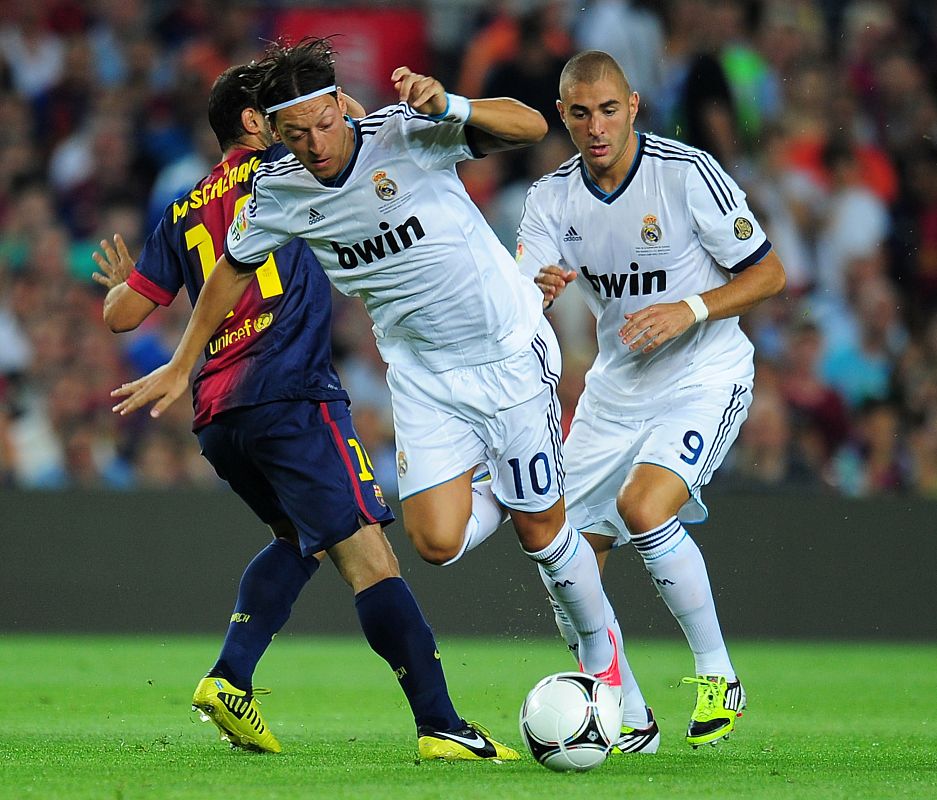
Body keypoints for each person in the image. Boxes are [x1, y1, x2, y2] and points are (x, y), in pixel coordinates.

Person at [109, 37, 635, 746]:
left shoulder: (405, 134)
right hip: (420, 376)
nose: (316, 144)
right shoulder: (279, 189)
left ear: (340, 105)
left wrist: (449, 103)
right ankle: (507, 493)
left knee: (541, 532)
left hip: (506, 351)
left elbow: (530, 125)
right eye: (297, 134)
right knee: (435, 544)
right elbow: (233, 266)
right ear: (274, 131)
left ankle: (604, 669)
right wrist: (181, 362)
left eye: (325, 124)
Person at [517, 50, 786, 748]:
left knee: (643, 508)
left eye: (609, 110)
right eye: (581, 114)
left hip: (703, 374)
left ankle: (718, 673)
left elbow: (768, 275)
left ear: (632, 106)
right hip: (614, 390)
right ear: (562, 116)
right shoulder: (550, 199)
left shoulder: (685, 173)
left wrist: (689, 309)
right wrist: (531, 293)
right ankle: (629, 715)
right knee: (563, 557)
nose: (596, 127)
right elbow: (519, 294)